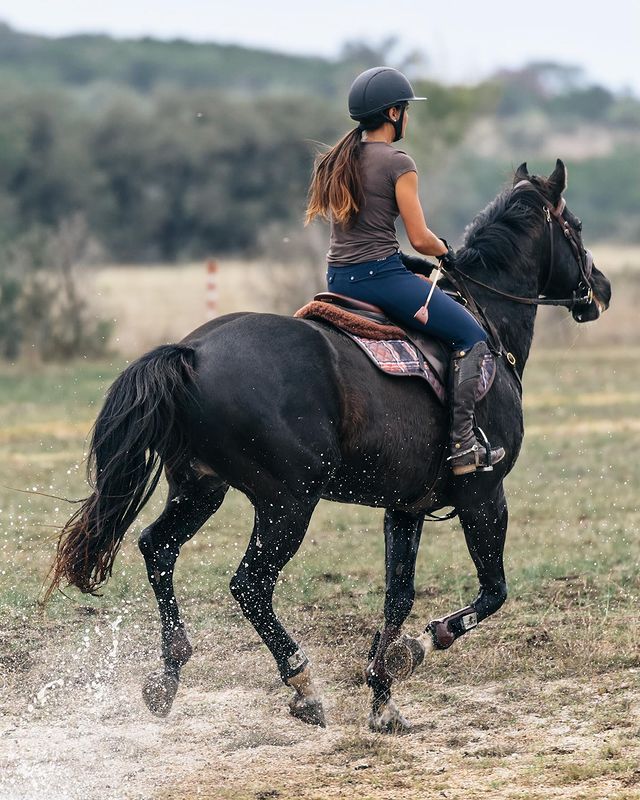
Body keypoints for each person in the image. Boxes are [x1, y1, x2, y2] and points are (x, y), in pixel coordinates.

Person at [305, 66, 504, 476]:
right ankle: (464, 444)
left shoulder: (339, 158)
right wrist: (444, 250)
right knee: (471, 334)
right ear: (394, 113)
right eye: (406, 110)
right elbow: (420, 238)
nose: (408, 117)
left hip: (338, 280)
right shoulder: (399, 162)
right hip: (381, 282)